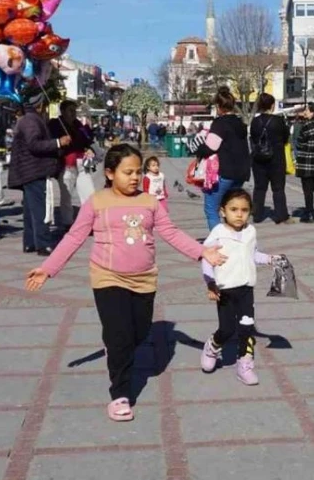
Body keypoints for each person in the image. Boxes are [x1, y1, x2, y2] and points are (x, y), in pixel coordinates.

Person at [24, 144, 225, 422]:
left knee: (139, 334)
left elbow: (171, 232)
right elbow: (73, 237)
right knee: (120, 338)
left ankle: (116, 343)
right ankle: (120, 394)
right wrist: (48, 269)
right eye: (127, 172)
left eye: (138, 171)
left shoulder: (149, 202)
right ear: (109, 172)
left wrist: (202, 252)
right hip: (107, 277)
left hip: (144, 280)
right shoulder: (97, 202)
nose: (134, 177)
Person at [199, 188, 279, 386]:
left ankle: (245, 365)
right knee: (226, 329)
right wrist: (210, 283)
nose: (239, 214)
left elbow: (253, 254)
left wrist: (269, 259)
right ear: (222, 211)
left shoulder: (250, 231)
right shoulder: (218, 233)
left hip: (246, 290)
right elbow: (206, 259)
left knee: (246, 328)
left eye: (244, 210)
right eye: (233, 209)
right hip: (225, 290)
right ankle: (212, 346)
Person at [9, 93, 71, 255]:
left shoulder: (30, 119)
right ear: (40, 104)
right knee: (39, 209)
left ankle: (30, 242)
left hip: (30, 170)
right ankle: (43, 244)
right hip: (34, 170)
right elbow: (34, 145)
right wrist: (58, 142)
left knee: (30, 210)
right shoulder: (31, 120)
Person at [196, 88, 250, 231]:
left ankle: (219, 241)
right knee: (232, 208)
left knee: (211, 208)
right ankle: (236, 237)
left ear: (219, 107)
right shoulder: (240, 123)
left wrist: (198, 148)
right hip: (241, 172)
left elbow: (211, 147)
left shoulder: (220, 123)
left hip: (224, 172)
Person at [249, 93, 292, 224]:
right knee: (278, 188)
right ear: (272, 105)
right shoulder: (278, 121)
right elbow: (286, 138)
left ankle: (257, 214)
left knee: (259, 188)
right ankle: (281, 215)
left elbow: (253, 137)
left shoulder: (255, 122)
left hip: (258, 159)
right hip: (276, 159)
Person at [50, 100, 95, 224]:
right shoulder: (55, 124)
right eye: (70, 111)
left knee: (89, 193)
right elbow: (52, 142)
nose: (73, 113)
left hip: (81, 163)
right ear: (63, 111)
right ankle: (67, 222)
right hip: (66, 164)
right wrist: (61, 141)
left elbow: (87, 140)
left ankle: (88, 220)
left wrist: (89, 147)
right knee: (67, 195)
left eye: (74, 111)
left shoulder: (78, 124)